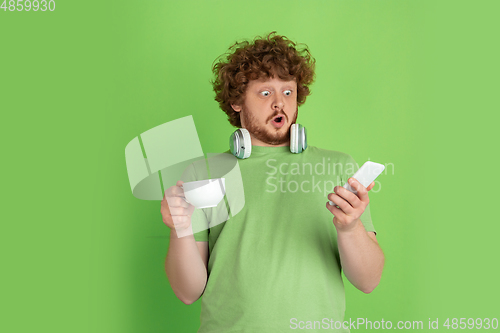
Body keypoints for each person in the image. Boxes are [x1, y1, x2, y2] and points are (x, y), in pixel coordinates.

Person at [162, 31, 385, 333]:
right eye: (265, 93)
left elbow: (369, 281)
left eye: (288, 92)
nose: (280, 103)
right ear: (237, 102)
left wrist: (349, 227)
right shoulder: (203, 172)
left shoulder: (338, 166)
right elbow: (187, 292)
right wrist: (180, 228)